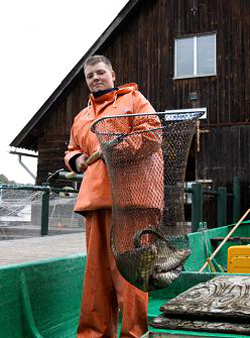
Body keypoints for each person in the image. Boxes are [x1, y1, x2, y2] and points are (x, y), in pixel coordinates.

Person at [64, 55, 161, 337]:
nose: (95, 78)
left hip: (131, 202)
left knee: (130, 276)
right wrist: (77, 159)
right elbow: (71, 149)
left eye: (100, 72)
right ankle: (93, 333)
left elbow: (152, 135)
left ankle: (133, 333)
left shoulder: (134, 100)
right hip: (94, 202)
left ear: (113, 74)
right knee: (96, 278)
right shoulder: (82, 117)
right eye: (90, 75)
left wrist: (115, 150)